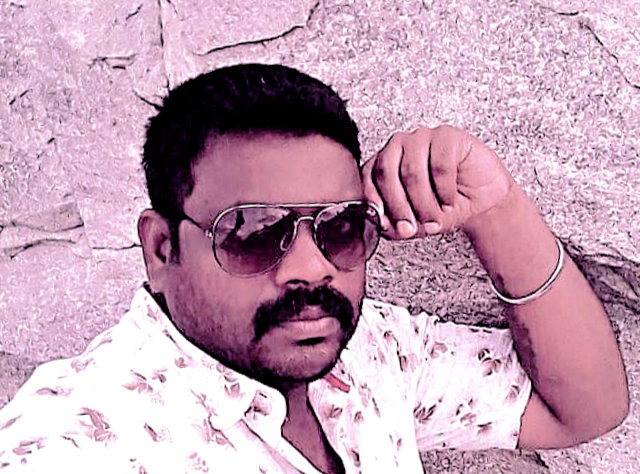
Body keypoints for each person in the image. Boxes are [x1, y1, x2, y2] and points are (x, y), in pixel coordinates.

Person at [0, 64, 628, 474]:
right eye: (252, 232)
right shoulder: (81, 441)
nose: (311, 267)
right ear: (162, 249)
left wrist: (494, 208)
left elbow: (581, 409)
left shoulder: (372, 351)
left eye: (341, 226)